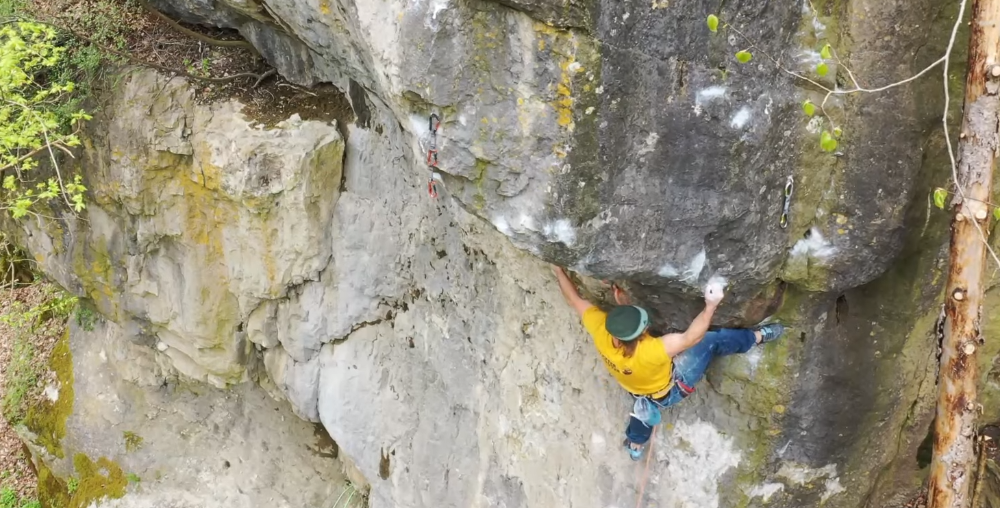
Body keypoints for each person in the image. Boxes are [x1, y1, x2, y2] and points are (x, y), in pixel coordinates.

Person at [551, 265, 785, 460]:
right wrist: (711, 305)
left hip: (636, 389)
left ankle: (636, 444)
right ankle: (756, 337)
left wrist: (559, 271)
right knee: (711, 341)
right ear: (642, 332)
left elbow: (574, 299)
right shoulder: (652, 350)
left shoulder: (601, 330)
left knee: (643, 404)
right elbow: (691, 337)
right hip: (671, 388)